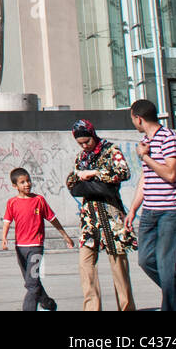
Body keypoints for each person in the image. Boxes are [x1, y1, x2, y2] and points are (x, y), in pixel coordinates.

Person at [127, 99, 176, 311]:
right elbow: (145, 179)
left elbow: (170, 173)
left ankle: (171, 307)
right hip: (150, 210)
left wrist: (146, 157)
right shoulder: (145, 141)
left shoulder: (169, 138)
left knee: (166, 263)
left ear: (138, 118)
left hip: (171, 210)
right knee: (145, 260)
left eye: (132, 118)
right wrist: (133, 209)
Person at [66, 118, 136, 312]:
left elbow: (123, 172)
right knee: (85, 264)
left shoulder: (110, 150)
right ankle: (91, 308)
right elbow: (71, 181)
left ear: (93, 135)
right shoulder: (81, 157)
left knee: (118, 266)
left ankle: (126, 307)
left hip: (110, 213)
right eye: (80, 143)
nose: (84, 146)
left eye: (87, 141)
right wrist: (80, 175)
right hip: (89, 217)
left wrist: (95, 173)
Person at [1, 167, 73, 311]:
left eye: (28, 180)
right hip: (20, 248)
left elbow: (53, 219)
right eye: (22, 182)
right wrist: (4, 238)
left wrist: (65, 236)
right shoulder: (12, 203)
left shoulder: (39, 200)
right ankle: (47, 303)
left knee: (32, 284)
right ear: (15, 186)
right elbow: (7, 221)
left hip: (36, 248)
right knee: (30, 282)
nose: (27, 184)